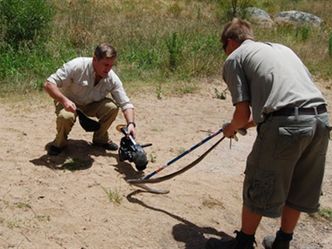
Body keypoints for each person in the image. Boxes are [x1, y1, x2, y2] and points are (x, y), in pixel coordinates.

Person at [206, 18, 330, 249]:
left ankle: (243, 243)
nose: (225, 53)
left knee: (260, 179)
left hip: (287, 124)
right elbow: (285, 103)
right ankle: (282, 241)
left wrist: (231, 128)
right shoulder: (283, 49)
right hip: (320, 120)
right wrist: (241, 125)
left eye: (224, 48)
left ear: (231, 42)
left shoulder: (235, 58)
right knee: (299, 183)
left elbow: (243, 114)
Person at [44, 43, 136, 156]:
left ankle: (100, 139)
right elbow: (48, 84)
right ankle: (59, 143)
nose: (108, 69)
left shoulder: (112, 78)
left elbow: (125, 104)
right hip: (67, 102)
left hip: (91, 104)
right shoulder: (77, 65)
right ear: (94, 60)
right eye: (105, 64)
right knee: (65, 116)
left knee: (112, 108)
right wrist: (64, 101)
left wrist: (131, 124)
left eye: (111, 65)